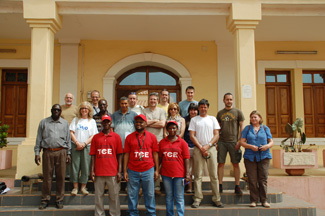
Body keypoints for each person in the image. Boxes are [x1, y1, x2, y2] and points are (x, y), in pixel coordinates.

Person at [34, 104, 71, 210]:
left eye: (58, 110)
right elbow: (38, 139)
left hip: (61, 152)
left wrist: (68, 153)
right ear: (51, 110)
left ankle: (59, 199)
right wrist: (37, 153)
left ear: (61, 112)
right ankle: (45, 200)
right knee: (47, 178)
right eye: (54, 110)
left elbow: (68, 139)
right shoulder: (44, 122)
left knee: (60, 177)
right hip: (48, 152)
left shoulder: (64, 123)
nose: (56, 111)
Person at [189, 99, 223, 208]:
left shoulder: (212, 119)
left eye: (205, 107)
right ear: (199, 108)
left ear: (208, 108)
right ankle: (197, 199)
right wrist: (201, 147)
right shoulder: (195, 120)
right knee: (198, 175)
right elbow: (192, 135)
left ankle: (217, 199)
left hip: (211, 148)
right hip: (198, 148)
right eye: (201, 107)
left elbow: (216, 134)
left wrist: (208, 146)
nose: (203, 109)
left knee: (214, 175)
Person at [123, 114, 159, 216]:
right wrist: (125, 171)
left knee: (150, 194)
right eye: (137, 122)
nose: (138, 124)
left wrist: (156, 170)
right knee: (132, 194)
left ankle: (151, 213)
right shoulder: (129, 137)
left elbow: (155, 153)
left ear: (146, 124)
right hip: (133, 169)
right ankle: (133, 213)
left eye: (141, 122)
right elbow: (126, 154)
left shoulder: (152, 137)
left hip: (148, 169)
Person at [90, 115, 123, 216]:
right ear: (101, 123)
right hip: (99, 172)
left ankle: (115, 214)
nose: (106, 124)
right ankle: (99, 214)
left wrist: (119, 171)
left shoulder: (116, 137)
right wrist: (92, 171)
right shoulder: (96, 137)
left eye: (108, 122)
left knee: (114, 196)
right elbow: (93, 155)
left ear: (111, 123)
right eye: (104, 122)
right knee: (98, 196)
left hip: (112, 172)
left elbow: (120, 155)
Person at [240, 110, 273, 208]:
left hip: (264, 156)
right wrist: (250, 146)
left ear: (259, 118)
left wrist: (267, 146)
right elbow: (242, 142)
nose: (253, 119)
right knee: (252, 179)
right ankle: (254, 200)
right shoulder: (247, 128)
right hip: (250, 157)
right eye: (252, 117)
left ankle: (264, 200)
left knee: (263, 179)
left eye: (255, 117)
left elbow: (271, 141)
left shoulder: (265, 128)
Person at [159, 121, 190, 216]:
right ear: (167, 130)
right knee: (169, 196)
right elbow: (160, 158)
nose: (172, 130)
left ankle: (180, 214)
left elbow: (186, 158)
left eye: (174, 128)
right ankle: (170, 214)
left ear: (177, 129)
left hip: (179, 174)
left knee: (179, 197)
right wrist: (156, 170)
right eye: (170, 128)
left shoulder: (182, 143)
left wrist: (187, 173)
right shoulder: (162, 142)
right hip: (166, 174)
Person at [216, 93, 245, 195]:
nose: (229, 101)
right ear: (223, 100)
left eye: (231, 99)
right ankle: (219, 185)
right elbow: (217, 129)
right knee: (221, 163)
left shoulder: (238, 112)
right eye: (227, 99)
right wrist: (216, 142)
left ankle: (237, 186)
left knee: (235, 164)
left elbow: (242, 127)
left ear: (232, 100)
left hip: (234, 142)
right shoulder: (220, 113)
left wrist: (240, 141)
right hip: (222, 142)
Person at [70, 101, 98, 196]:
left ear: (89, 110)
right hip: (75, 146)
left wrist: (84, 143)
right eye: (82, 108)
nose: (84, 110)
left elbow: (93, 135)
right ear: (80, 110)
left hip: (87, 147)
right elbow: (71, 132)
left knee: (85, 167)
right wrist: (77, 143)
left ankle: (83, 187)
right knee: (75, 166)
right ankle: (75, 187)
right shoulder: (76, 119)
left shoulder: (92, 121)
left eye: (86, 108)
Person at [142, 92, 166, 195]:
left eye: (155, 99)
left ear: (158, 100)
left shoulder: (161, 111)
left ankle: (156, 187)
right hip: (146, 141)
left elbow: (162, 124)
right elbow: (143, 124)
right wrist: (155, 120)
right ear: (148, 100)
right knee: (145, 163)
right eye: (151, 99)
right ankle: (144, 187)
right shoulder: (144, 111)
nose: (153, 101)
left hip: (158, 140)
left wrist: (149, 122)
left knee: (157, 164)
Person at [183, 103, 199, 193]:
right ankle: (189, 187)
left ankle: (196, 188)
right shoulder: (185, 119)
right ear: (189, 110)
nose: (193, 112)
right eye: (191, 110)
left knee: (196, 169)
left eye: (195, 110)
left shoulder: (200, 119)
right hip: (187, 146)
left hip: (197, 146)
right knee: (188, 169)